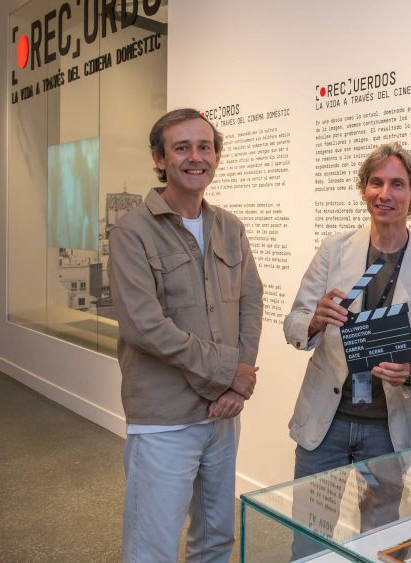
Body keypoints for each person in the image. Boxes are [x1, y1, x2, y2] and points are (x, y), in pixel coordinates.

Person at [108, 108, 263, 562]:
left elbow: (251, 302)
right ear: (159, 159)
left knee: (216, 539)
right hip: (165, 419)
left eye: (205, 147)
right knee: (152, 547)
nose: (196, 157)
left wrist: (240, 378)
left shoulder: (230, 227)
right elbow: (144, 326)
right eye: (182, 148)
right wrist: (226, 373)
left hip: (221, 417)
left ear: (216, 156)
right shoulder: (132, 232)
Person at [284, 142, 411, 477]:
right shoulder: (334, 250)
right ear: (364, 191)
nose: (385, 194)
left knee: (381, 527)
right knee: (309, 526)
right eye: (376, 183)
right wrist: (315, 322)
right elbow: (293, 324)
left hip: (386, 428)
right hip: (325, 420)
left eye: (397, 184)